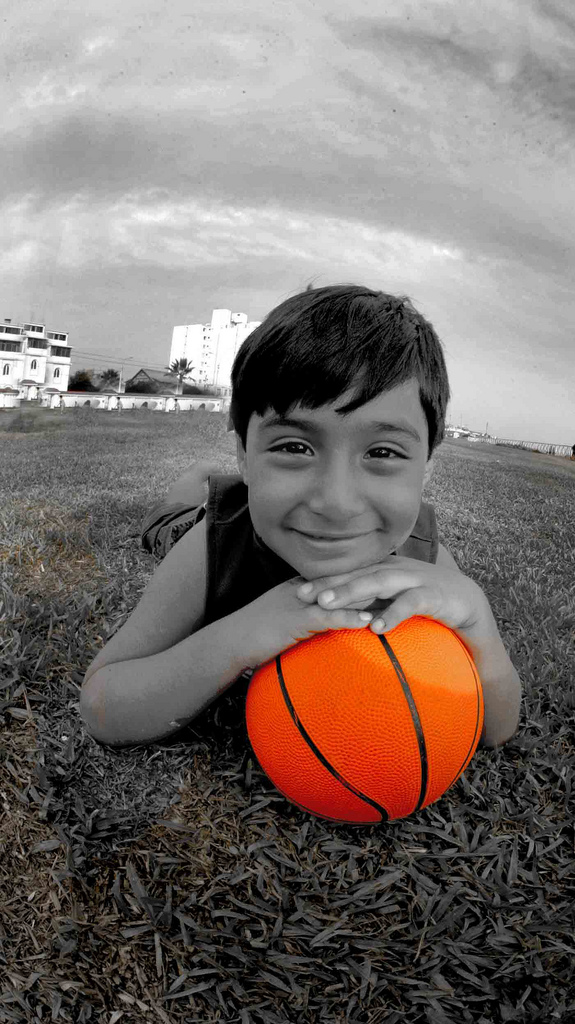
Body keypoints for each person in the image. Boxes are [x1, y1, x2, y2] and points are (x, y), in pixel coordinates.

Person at [80, 284, 521, 751]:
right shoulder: (214, 545)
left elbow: (497, 730)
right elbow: (103, 706)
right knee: (171, 519)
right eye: (294, 447)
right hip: (200, 522)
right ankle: (196, 487)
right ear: (246, 454)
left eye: (383, 452)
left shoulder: (425, 565)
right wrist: (242, 635)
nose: (335, 501)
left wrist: (480, 626)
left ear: (427, 467)